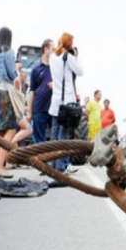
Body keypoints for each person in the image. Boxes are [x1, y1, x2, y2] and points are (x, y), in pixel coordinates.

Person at [49, 33, 83, 174]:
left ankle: (52, 165)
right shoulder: (68, 57)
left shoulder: (52, 57)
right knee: (63, 136)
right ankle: (60, 167)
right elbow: (80, 71)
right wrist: (75, 56)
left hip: (55, 101)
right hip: (66, 102)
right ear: (69, 45)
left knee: (54, 134)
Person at [0, 27, 18, 178]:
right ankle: (0, 167)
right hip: (5, 93)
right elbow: (12, 73)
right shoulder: (8, 51)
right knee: (11, 130)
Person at [27, 39, 54, 144]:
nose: (54, 52)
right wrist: (29, 112)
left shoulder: (55, 69)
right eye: (53, 49)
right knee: (39, 141)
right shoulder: (35, 70)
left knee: (56, 139)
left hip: (53, 109)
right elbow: (31, 91)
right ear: (46, 49)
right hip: (39, 109)